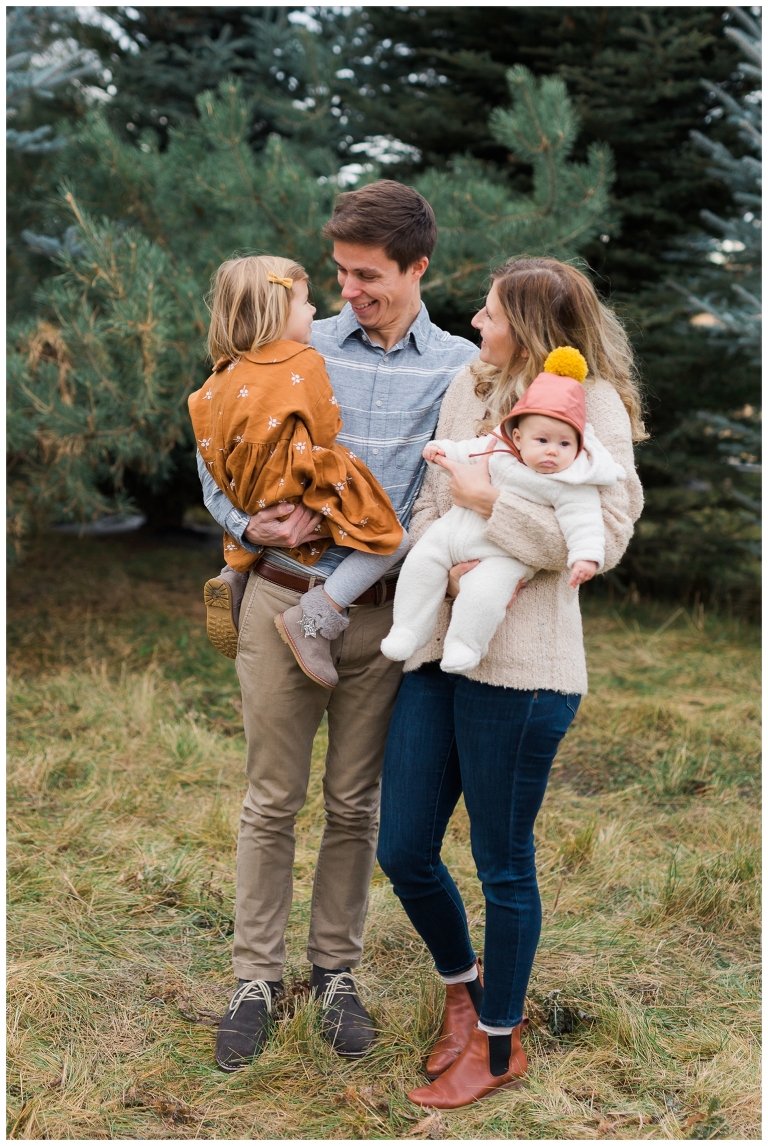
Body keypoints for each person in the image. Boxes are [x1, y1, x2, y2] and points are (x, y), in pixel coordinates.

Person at [195, 181, 477, 1071]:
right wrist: (248, 525)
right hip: (280, 598)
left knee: (356, 806)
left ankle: (335, 975)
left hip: (387, 619)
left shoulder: (458, 368)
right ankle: (254, 979)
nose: (348, 290)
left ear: (417, 267)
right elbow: (216, 448)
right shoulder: (296, 341)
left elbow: (442, 498)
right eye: (340, 274)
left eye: (368, 276)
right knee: (270, 800)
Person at [376, 256, 645, 1109]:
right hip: (437, 653)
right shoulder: (467, 384)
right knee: (405, 848)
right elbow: (430, 501)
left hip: (525, 674)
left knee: (503, 865)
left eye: (489, 311)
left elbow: (600, 533)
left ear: (526, 326)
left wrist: (490, 507)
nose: (475, 320)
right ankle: (464, 989)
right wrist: (447, 560)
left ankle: (499, 1044)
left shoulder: (590, 404)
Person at [190, 253, 409, 688]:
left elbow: (209, 444)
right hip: (299, 477)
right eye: (305, 302)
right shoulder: (304, 359)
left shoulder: (220, 375)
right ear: (277, 311)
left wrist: (244, 512)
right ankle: (318, 614)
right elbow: (325, 426)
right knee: (392, 539)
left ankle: (236, 575)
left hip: (251, 490)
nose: (315, 310)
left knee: (278, 526)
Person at [381, 347, 625, 673]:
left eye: (565, 444)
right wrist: (444, 451)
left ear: (579, 445)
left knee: (486, 594)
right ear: (519, 437)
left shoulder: (570, 482)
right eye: (542, 440)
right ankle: (407, 629)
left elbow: (585, 523)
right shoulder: (499, 448)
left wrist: (586, 556)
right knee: (421, 563)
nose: (552, 451)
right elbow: (467, 450)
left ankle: (465, 645)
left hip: (502, 553)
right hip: (454, 530)